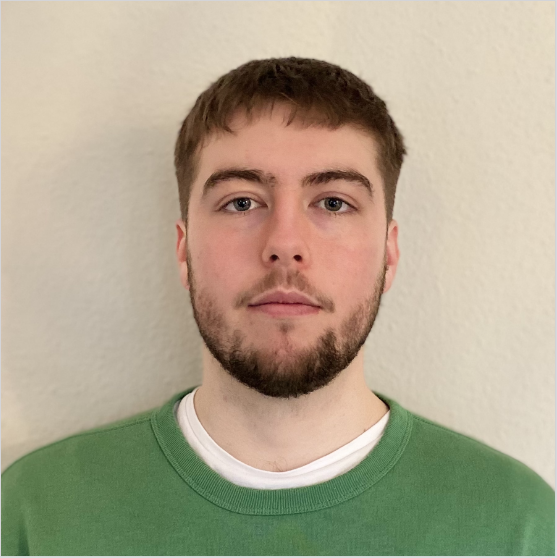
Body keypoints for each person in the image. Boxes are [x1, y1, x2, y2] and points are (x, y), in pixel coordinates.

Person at [2, 57, 554, 557]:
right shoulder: (34, 515)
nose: (285, 243)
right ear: (183, 249)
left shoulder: (519, 527)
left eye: (333, 202)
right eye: (241, 202)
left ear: (389, 253)